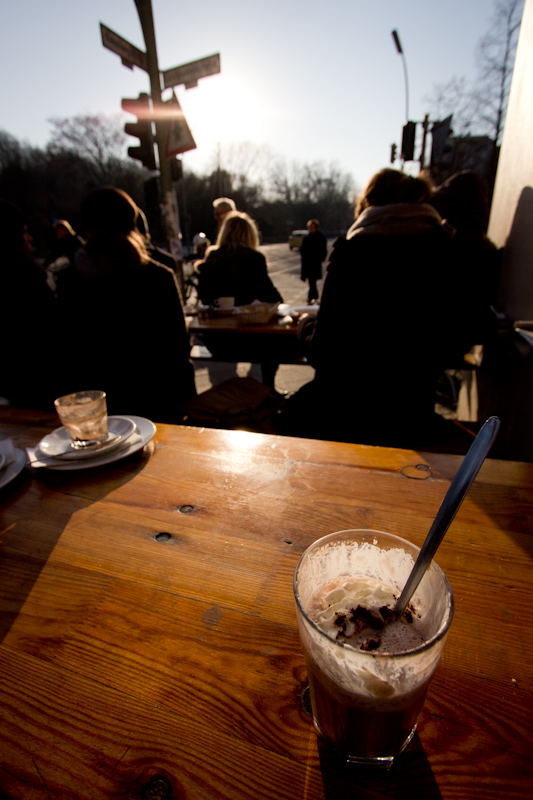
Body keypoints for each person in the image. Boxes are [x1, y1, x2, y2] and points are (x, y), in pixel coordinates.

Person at [280, 168, 467, 448]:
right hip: (412, 417)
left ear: (368, 203)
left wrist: (306, 323)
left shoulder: (351, 252)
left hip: (343, 417)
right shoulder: (446, 249)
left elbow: (324, 351)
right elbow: (452, 343)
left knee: (283, 418)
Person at [55, 187, 196, 422]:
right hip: (156, 411)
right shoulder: (156, 276)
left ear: (86, 226)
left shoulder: (68, 280)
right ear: (134, 223)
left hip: (93, 418)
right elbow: (177, 353)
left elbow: (64, 353)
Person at [196, 211, 284, 387]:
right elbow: (274, 299)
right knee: (278, 344)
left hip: (217, 340)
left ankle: (223, 390)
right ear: (250, 235)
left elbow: (204, 299)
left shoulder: (211, 259)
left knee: (222, 376)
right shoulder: (254, 259)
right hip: (250, 339)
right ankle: (266, 388)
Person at [0, 200, 65, 408]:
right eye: (24, 231)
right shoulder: (22, 275)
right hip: (37, 387)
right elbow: (50, 331)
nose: (29, 239)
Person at [300, 219, 328, 303]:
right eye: (310, 227)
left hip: (315, 262)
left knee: (313, 280)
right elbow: (303, 250)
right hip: (308, 263)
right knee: (311, 281)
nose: (311, 229)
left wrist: (321, 258)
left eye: (313, 227)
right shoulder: (306, 238)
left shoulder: (320, 238)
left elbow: (323, 250)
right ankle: (313, 296)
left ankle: (312, 296)